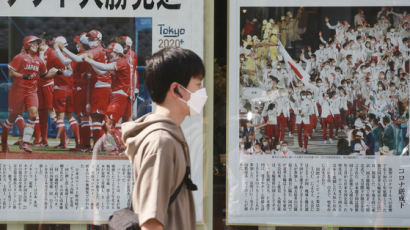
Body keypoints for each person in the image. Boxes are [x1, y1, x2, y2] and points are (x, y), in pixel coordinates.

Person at [122, 48, 207, 230]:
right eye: (198, 84)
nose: (202, 92)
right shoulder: (162, 142)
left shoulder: (169, 135)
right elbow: (151, 223)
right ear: (176, 89)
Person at [1, 35, 57, 153]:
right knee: (12, 118)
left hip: (32, 91)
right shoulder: (20, 57)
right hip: (18, 91)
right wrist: (23, 76)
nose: (37, 45)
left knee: (33, 114)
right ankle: (4, 142)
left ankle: (25, 142)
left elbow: (44, 76)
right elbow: (11, 73)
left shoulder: (39, 60)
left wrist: (57, 73)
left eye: (37, 43)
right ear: (27, 44)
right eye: (34, 43)